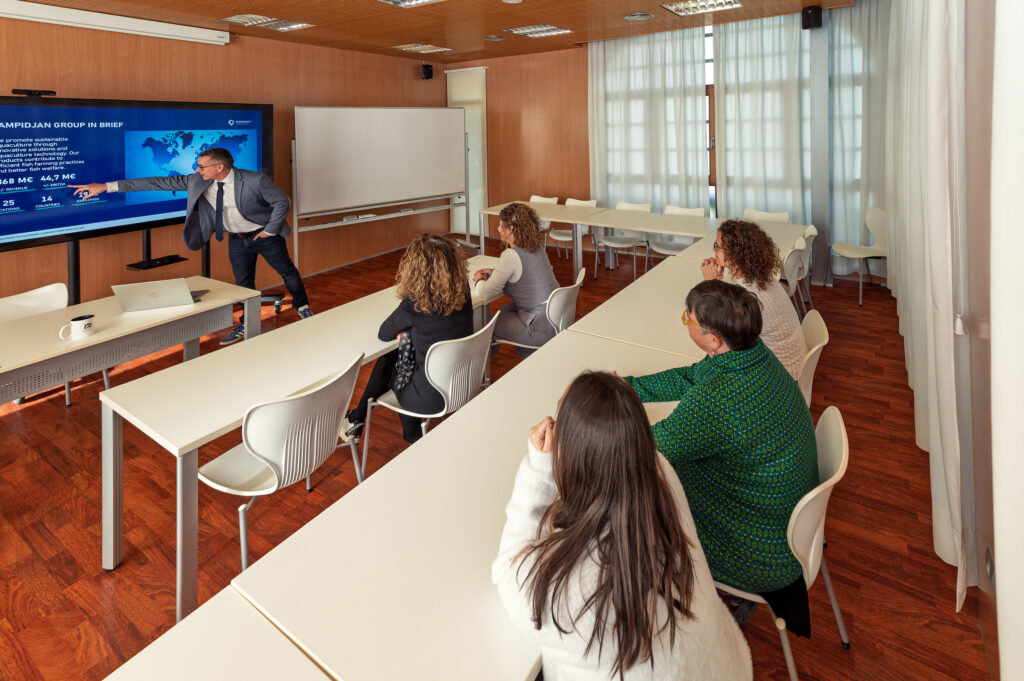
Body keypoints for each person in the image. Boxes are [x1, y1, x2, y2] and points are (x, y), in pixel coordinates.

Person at [493, 371, 752, 680]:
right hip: (716, 665)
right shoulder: (660, 475)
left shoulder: (569, 589)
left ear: (574, 455)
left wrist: (538, 469)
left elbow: (509, 567)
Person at [622, 280, 819, 635]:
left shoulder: (718, 399)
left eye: (689, 318)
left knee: (645, 509)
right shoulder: (751, 354)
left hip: (759, 549)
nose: (686, 321)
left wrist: (599, 415)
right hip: (781, 520)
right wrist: (629, 387)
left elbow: (649, 449)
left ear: (713, 339)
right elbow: (689, 377)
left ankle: (707, 607)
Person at [68, 148, 311, 345]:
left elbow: (281, 201)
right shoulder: (197, 181)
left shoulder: (255, 180)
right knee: (243, 283)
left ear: (220, 167)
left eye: (202, 166)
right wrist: (106, 187)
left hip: (264, 235)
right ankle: (247, 324)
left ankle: (302, 307)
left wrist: (269, 229)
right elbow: (156, 182)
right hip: (236, 238)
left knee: (287, 272)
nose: (197, 170)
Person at [342, 234, 473, 445]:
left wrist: (407, 331)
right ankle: (357, 418)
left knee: (389, 360)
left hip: (430, 398)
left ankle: (404, 434)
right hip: (464, 381)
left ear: (414, 268)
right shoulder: (462, 289)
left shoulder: (415, 303)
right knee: (397, 353)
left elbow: (384, 333)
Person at [701, 219, 807, 379]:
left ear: (733, 254)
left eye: (717, 247)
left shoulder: (749, 296)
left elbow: (713, 333)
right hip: (793, 363)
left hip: (781, 376)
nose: (713, 250)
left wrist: (710, 283)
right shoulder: (761, 277)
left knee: (710, 369)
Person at [472, 202, 559, 358]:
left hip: (537, 327)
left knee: (484, 325)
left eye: (500, 225)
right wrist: (495, 272)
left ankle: (481, 374)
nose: (498, 229)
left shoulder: (510, 255)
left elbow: (485, 293)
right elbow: (524, 274)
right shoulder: (539, 248)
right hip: (554, 317)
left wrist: (479, 279)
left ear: (510, 229)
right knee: (501, 312)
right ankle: (532, 361)